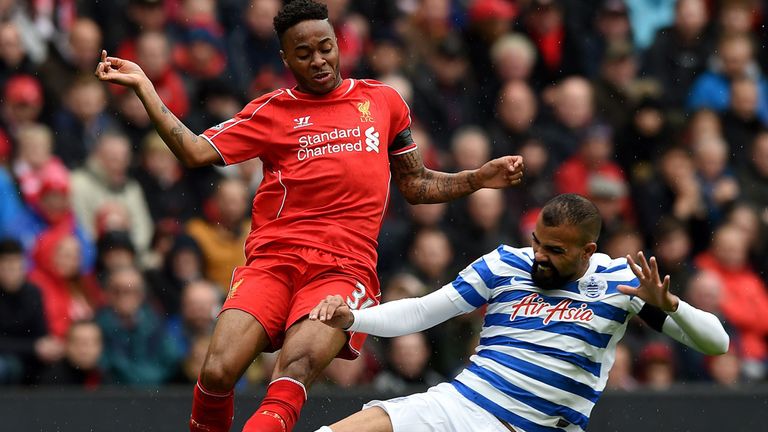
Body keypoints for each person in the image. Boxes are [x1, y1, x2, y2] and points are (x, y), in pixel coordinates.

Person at [94, 1, 524, 431]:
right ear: (286, 58)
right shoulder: (271, 111)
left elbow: (415, 185)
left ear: (339, 44)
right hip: (273, 261)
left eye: (326, 47)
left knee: (292, 368)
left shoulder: (384, 102)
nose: (318, 60)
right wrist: (145, 86)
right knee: (217, 372)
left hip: (342, 269)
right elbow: (193, 151)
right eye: (303, 53)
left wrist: (476, 178)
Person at [310, 194, 729, 432]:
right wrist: (355, 319)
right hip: (463, 405)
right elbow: (422, 311)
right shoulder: (505, 263)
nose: (540, 257)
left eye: (555, 251)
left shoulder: (624, 282)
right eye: (537, 243)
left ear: (588, 251)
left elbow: (718, 343)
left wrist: (671, 305)